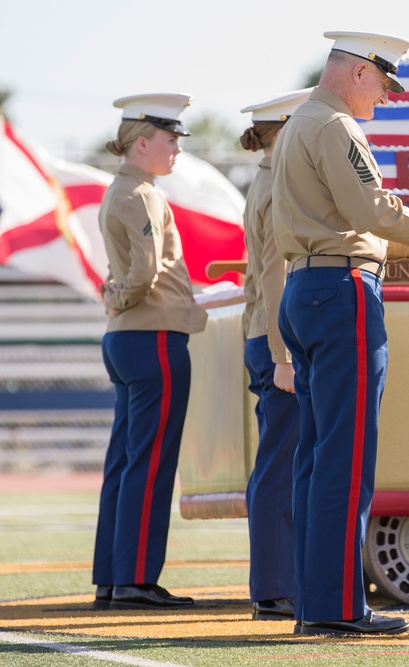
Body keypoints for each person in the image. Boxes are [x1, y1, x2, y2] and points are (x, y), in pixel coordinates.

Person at [270, 30, 409, 636]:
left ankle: (317, 602)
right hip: (341, 294)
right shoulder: (335, 127)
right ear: (358, 72)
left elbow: (348, 220)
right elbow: (371, 210)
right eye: (383, 84)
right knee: (345, 458)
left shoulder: (300, 124)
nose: (384, 98)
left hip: (308, 290)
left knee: (317, 458)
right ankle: (337, 609)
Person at [92, 93, 207, 610]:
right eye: (169, 139)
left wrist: (118, 299)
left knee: (125, 461)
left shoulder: (123, 189)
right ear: (142, 142)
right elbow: (145, 272)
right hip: (153, 335)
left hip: (129, 338)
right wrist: (121, 297)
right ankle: (136, 578)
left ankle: (114, 577)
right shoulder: (140, 194)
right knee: (151, 461)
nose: (176, 149)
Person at [238, 88, 313, 621]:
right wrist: (283, 353)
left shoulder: (264, 179)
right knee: (281, 465)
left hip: (264, 338)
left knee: (278, 462)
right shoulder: (277, 184)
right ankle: (276, 585)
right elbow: (274, 273)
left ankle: (276, 582)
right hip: (273, 340)